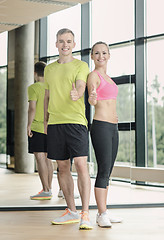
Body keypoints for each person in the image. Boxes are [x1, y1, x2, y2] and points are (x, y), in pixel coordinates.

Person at [44, 28, 92, 230]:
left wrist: (78, 93)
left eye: (69, 41)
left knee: (81, 164)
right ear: (56, 44)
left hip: (76, 121)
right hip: (55, 123)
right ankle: (71, 210)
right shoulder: (49, 69)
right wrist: (45, 120)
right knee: (62, 167)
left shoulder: (81, 65)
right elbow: (46, 96)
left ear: (74, 44)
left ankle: (86, 214)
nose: (65, 44)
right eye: (61, 41)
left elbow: (81, 85)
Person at [87, 41, 122, 227]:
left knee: (107, 172)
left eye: (104, 53)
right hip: (101, 126)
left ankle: (105, 211)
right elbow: (92, 97)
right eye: (97, 53)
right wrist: (92, 99)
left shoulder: (108, 77)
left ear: (109, 55)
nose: (101, 56)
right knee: (103, 171)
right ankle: (101, 215)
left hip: (113, 128)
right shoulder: (93, 76)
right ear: (92, 56)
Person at [27, 61, 53, 200]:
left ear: (35, 73)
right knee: (48, 159)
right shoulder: (50, 87)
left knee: (40, 158)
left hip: (37, 127)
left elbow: (32, 108)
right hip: (50, 127)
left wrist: (28, 125)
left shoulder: (33, 88)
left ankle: (46, 189)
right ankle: (49, 188)